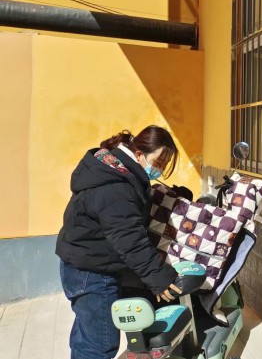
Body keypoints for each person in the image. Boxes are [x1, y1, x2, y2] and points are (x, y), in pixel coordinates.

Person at [56, 125, 183, 359]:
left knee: (87, 339)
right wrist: (158, 277)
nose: (159, 169)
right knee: (98, 346)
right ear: (139, 154)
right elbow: (129, 237)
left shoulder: (114, 170)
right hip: (93, 272)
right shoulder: (116, 186)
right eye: (158, 162)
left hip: (83, 265)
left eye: (164, 165)